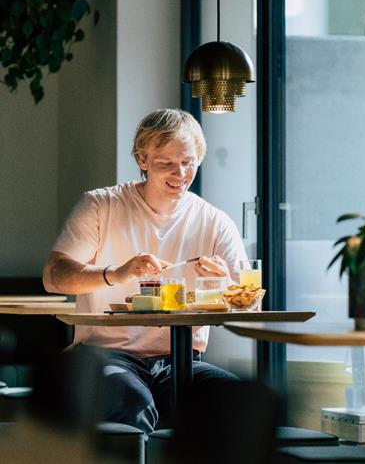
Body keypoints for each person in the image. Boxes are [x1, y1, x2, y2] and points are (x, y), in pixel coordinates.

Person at [43, 108, 248, 435]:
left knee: (238, 405)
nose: (179, 173)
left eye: (188, 162)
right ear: (142, 159)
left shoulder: (215, 221)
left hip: (182, 360)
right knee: (130, 403)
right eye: (166, 163)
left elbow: (246, 301)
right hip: (107, 355)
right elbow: (54, 277)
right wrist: (116, 273)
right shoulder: (102, 205)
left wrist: (225, 282)